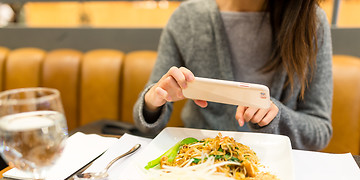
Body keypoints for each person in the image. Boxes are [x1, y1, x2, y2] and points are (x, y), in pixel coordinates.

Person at [133, 0, 333, 151]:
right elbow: (146, 123)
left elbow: (320, 131)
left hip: (274, 167)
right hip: (197, 160)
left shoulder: (311, 21)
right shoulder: (188, 17)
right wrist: (153, 102)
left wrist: (275, 117)